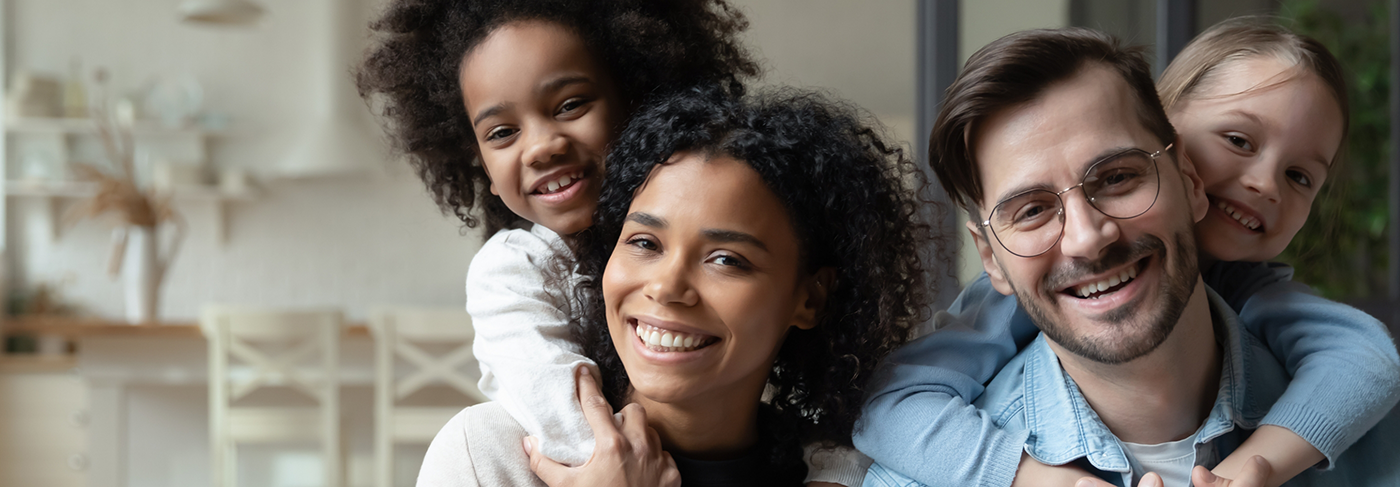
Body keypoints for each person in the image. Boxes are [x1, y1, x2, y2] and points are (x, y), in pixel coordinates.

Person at [855, 21, 1400, 487]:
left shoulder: (1260, 295)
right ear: (991, 258)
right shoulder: (994, 319)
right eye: (1031, 210)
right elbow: (887, 401)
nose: (1263, 184)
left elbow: (1365, 359)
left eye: (1117, 177)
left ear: (1184, 175)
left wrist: (1253, 466)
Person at [356, 2, 880, 485]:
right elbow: (543, 384)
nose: (542, 146)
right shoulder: (514, 282)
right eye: (644, 243)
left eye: (725, 258)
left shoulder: (829, 456)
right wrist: (607, 461)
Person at [417, 86, 931, 486]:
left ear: (810, 296)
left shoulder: (847, 475)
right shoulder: (490, 458)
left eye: (726, 259)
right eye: (644, 242)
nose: (666, 287)